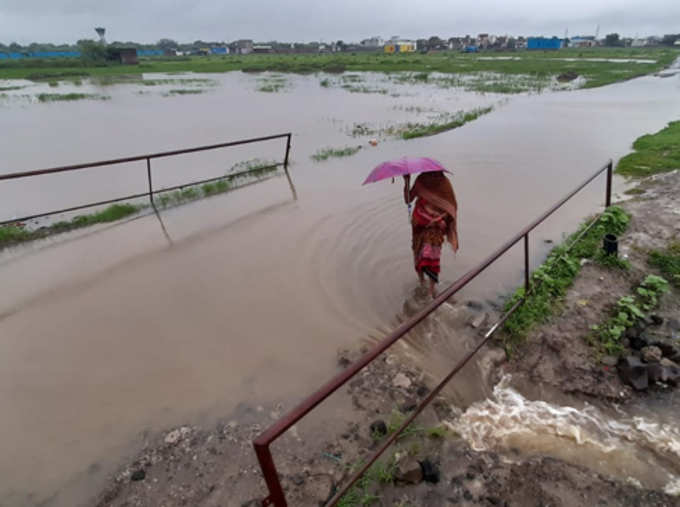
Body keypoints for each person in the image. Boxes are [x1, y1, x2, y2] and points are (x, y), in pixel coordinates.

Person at [403, 171, 459, 298]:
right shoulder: (421, 180)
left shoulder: (444, 183)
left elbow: (450, 207)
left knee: (430, 257)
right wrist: (406, 182)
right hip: (419, 225)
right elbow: (408, 200)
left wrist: (439, 219)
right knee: (418, 256)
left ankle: (431, 291)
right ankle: (422, 284)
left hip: (435, 228)